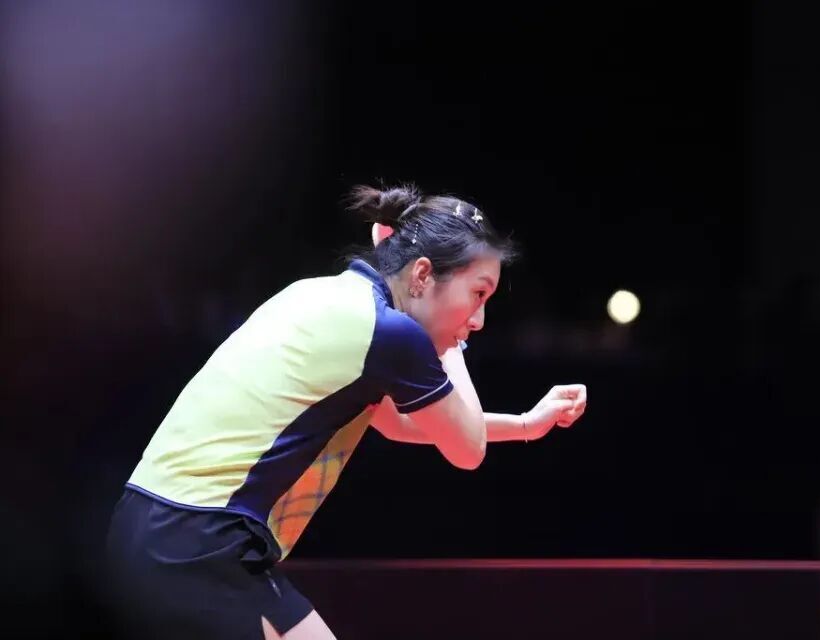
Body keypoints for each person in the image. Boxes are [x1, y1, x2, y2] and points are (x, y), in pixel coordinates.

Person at [105, 183, 588, 639]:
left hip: (146, 528)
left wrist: (526, 424)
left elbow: (401, 425)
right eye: (477, 294)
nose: (479, 319)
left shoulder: (318, 294)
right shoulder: (390, 334)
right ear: (422, 275)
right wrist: (450, 343)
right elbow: (468, 448)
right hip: (200, 544)